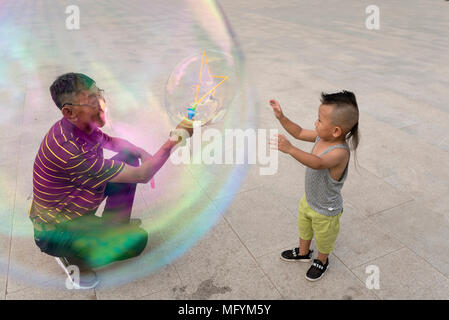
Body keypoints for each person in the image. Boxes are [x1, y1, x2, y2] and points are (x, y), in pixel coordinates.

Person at [29, 73, 192, 289]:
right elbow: (143, 175)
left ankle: (113, 228)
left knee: (129, 158)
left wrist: (142, 152)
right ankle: (74, 262)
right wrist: (175, 140)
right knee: (138, 242)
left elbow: (112, 142)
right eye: (91, 100)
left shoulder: (79, 126)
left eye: (99, 95)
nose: (101, 104)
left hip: (74, 203)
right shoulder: (70, 151)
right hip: (56, 231)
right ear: (68, 112)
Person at [269, 91, 360, 281]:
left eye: (319, 120)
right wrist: (281, 117)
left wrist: (291, 149)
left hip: (326, 210)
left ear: (336, 130)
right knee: (304, 228)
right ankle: (303, 253)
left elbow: (317, 162)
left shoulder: (340, 152)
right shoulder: (321, 137)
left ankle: (322, 260)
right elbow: (299, 132)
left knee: (324, 238)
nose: (315, 123)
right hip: (309, 200)